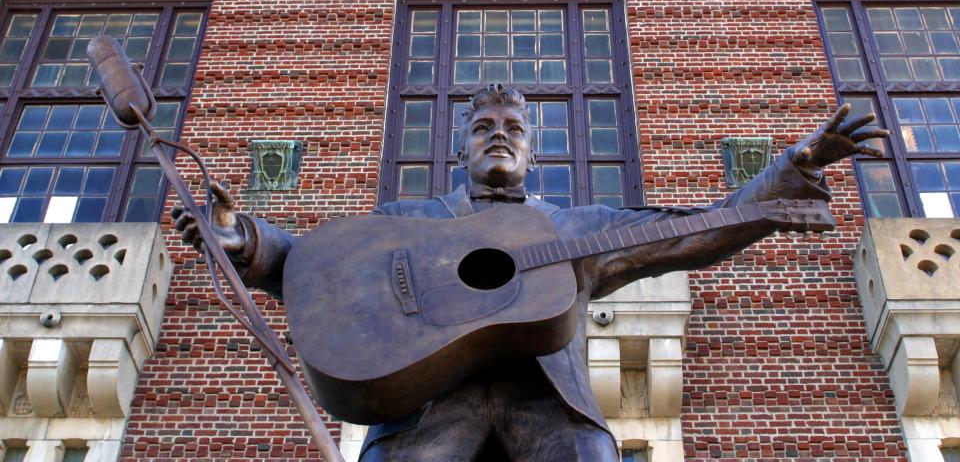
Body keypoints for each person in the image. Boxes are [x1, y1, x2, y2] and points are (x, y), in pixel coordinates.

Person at [173, 84, 888, 462]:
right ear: (460, 149)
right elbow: (315, 268)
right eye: (484, 128)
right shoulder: (410, 220)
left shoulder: (569, 228)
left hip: (550, 412)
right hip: (426, 410)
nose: (499, 138)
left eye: (514, 130)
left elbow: (685, 233)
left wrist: (793, 168)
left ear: (532, 154)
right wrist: (243, 240)